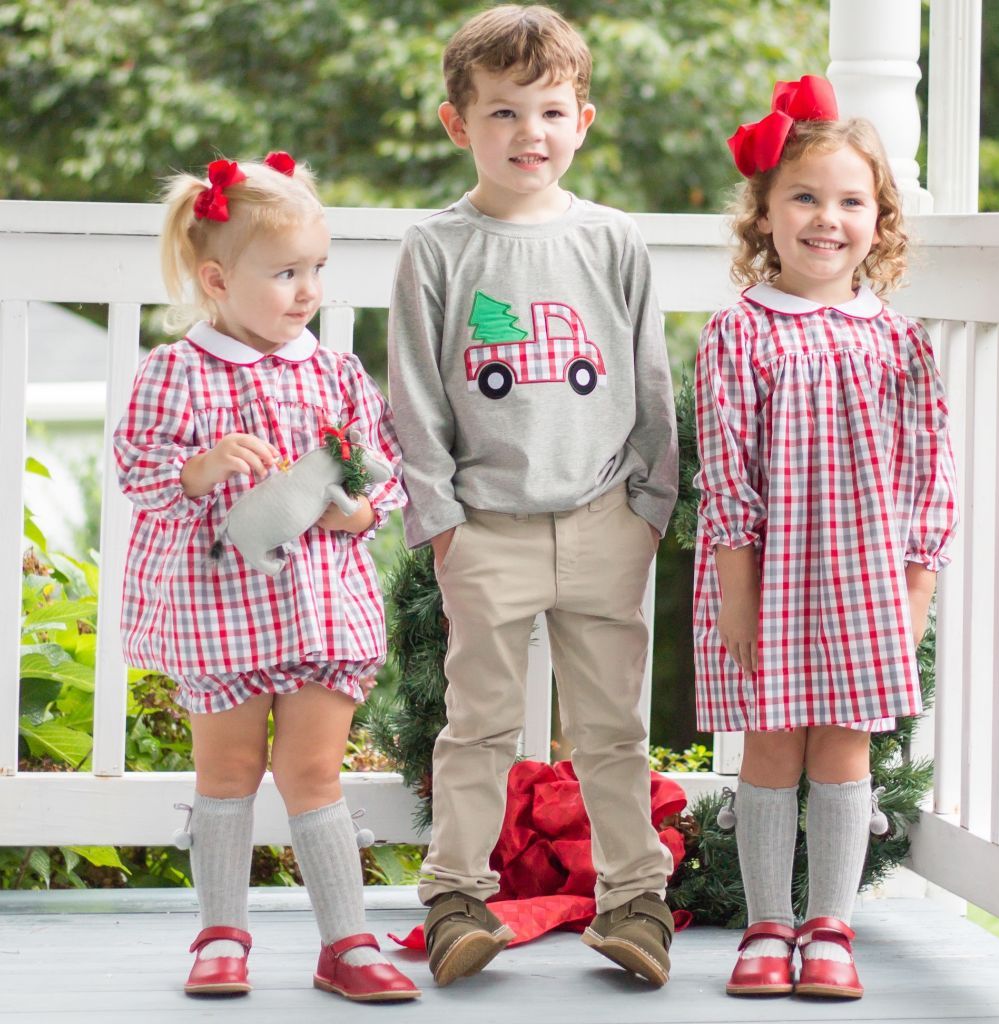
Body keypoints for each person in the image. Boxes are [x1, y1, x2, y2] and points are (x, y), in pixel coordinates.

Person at [387, 4, 679, 989]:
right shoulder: (435, 247)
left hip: (606, 521)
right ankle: (455, 898)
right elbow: (416, 398)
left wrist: (650, 509)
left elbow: (649, 383)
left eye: (550, 112)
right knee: (476, 723)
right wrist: (441, 525)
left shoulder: (613, 239)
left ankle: (634, 899)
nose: (529, 134)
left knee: (612, 726)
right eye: (503, 113)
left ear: (582, 121)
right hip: (486, 529)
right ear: (455, 121)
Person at [113, 152, 419, 1002]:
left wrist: (357, 512)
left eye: (316, 268)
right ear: (217, 278)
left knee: (315, 772)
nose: (306, 289)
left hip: (322, 609)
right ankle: (220, 933)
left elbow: (380, 472)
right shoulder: (178, 372)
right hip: (223, 611)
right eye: (285, 272)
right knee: (229, 771)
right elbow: (138, 470)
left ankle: (347, 943)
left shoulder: (332, 371)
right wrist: (200, 469)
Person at [693, 76, 958, 1000]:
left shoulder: (898, 340)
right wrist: (737, 591)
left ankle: (830, 927)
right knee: (771, 747)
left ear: (878, 219)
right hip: (765, 576)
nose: (825, 219)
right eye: (803, 196)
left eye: (851, 200)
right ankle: (768, 926)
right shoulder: (739, 333)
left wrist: (916, 593)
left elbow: (932, 474)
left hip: (866, 582)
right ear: (763, 214)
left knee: (844, 748)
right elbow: (726, 473)